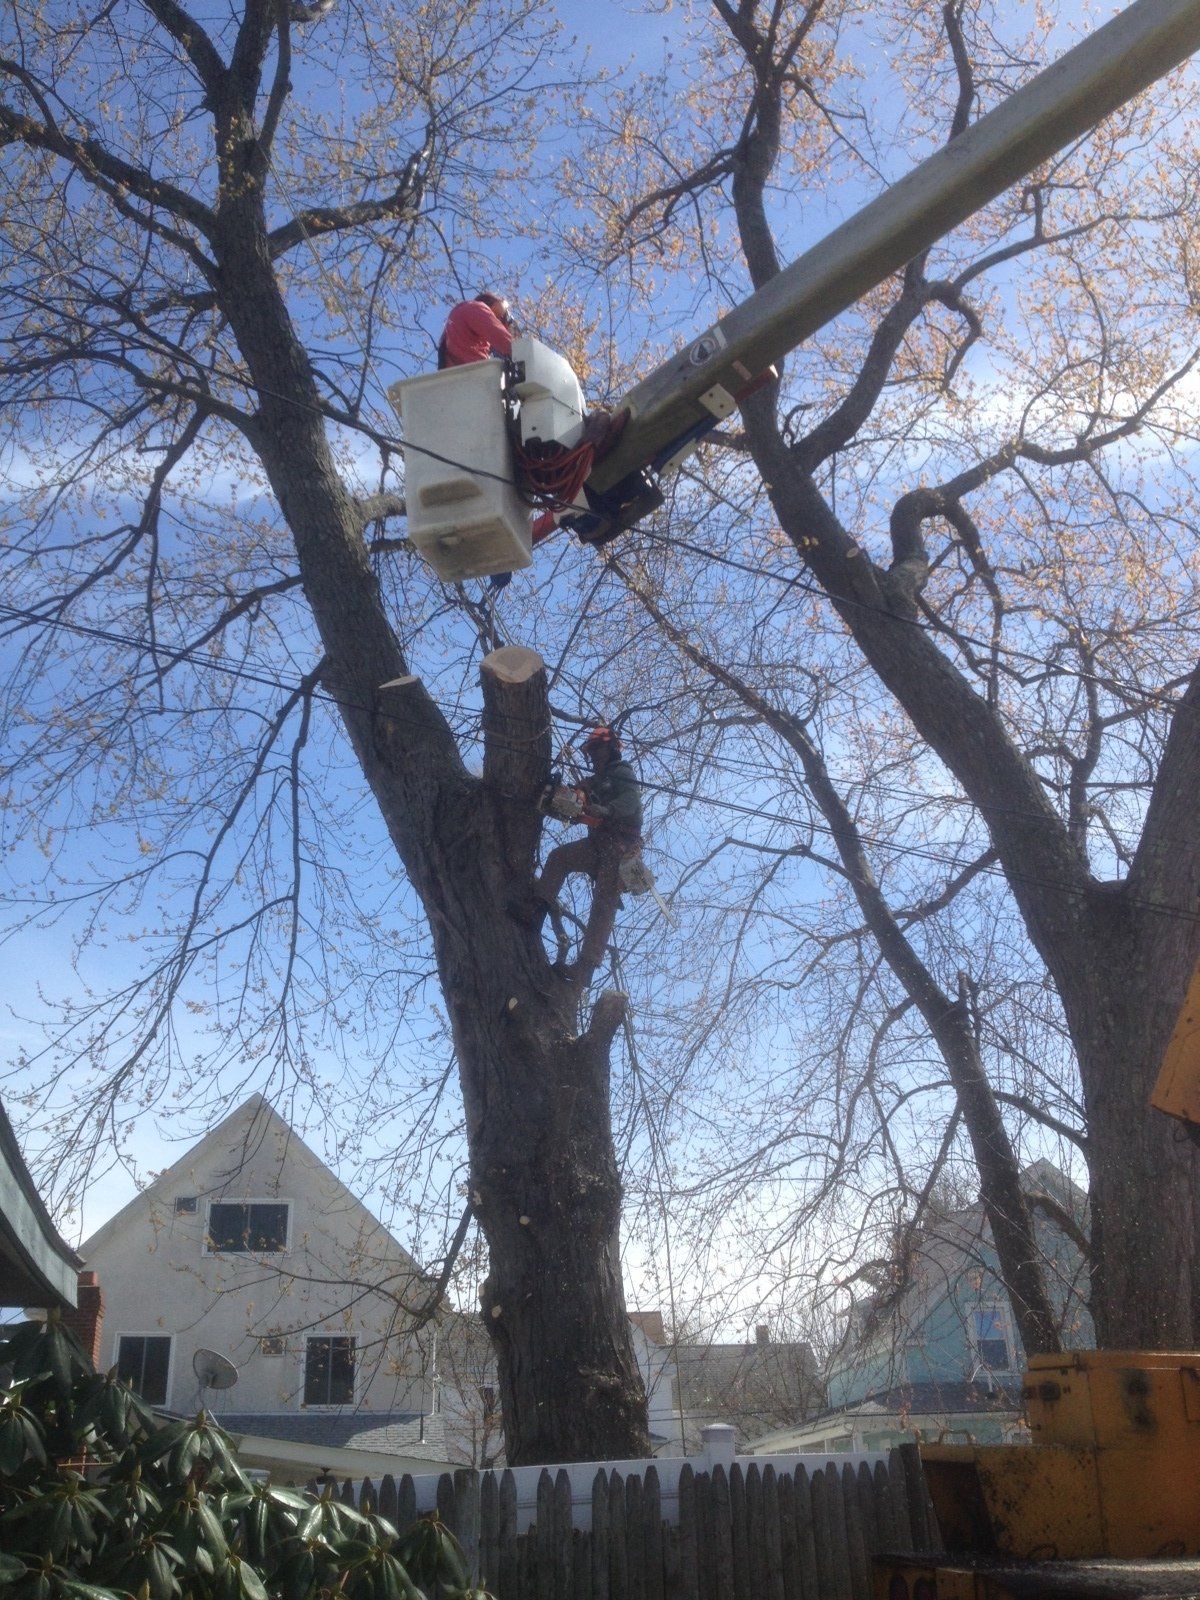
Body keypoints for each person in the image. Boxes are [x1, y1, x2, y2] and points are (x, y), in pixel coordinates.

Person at [530, 726, 643, 972]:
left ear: (610, 749)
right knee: (560, 858)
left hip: (620, 848)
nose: (593, 756)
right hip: (597, 845)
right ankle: (535, 913)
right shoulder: (593, 781)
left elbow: (630, 801)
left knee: (604, 903)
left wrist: (608, 810)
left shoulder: (622, 772)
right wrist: (567, 799)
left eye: (596, 750)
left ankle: (583, 970)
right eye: (590, 751)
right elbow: (577, 799)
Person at [437, 291, 514, 369]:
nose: (503, 319)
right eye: (505, 314)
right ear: (495, 301)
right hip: (472, 374)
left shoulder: (458, 321)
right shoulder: (475, 308)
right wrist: (522, 353)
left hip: (460, 374)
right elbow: (503, 339)